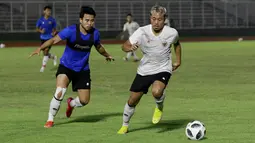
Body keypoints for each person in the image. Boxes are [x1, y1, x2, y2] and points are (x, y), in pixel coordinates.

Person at [30, 6, 114, 128]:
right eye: (87, 20)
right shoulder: (70, 31)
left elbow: (98, 46)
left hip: (83, 70)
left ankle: (72, 104)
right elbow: (53, 40)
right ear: (81, 20)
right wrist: (40, 48)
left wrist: (107, 55)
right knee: (60, 91)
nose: (89, 23)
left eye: (92, 20)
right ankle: (50, 119)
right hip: (66, 67)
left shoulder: (95, 33)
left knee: (84, 101)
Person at [117, 5, 182, 134]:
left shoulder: (172, 32)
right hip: (145, 69)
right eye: (153, 19)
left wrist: (178, 61)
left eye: (159, 19)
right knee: (133, 100)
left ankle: (159, 107)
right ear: (150, 18)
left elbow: (177, 44)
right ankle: (125, 125)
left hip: (163, 67)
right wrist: (129, 48)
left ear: (164, 19)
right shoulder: (142, 31)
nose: (156, 22)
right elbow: (124, 46)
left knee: (157, 92)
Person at [36, 5, 58, 72]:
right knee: (45, 53)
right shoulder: (40, 20)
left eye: (50, 10)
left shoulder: (52, 20)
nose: (49, 12)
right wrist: (40, 31)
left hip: (50, 38)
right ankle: (54, 57)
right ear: (44, 11)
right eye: (48, 10)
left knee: (46, 51)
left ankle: (43, 67)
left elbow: (55, 30)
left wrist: (54, 33)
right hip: (42, 38)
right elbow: (37, 29)